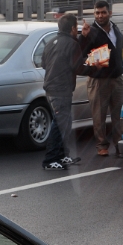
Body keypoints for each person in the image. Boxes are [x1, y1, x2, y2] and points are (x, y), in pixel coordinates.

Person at [41, 14, 88, 171]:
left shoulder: (50, 43)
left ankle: (62, 156)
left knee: (64, 124)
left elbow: (43, 64)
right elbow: (79, 68)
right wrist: (95, 66)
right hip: (61, 89)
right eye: (77, 27)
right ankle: (50, 159)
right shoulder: (72, 44)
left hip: (51, 88)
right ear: (73, 28)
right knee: (59, 125)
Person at [80, 1, 123, 157]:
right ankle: (101, 145)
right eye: (97, 13)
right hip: (98, 80)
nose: (100, 15)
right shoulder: (90, 31)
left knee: (118, 114)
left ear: (110, 13)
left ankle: (120, 144)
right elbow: (81, 54)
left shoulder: (115, 29)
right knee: (99, 115)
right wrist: (83, 37)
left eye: (103, 12)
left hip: (117, 78)